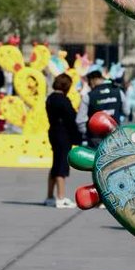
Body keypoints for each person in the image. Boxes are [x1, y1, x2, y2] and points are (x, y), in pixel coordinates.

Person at [45, 73, 79, 208]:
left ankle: (49, 196)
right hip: (63, 134)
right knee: (61, 166)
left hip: (53, 131)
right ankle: (61, 197)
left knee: (55, 164)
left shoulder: (50, 99)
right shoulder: (63, 100)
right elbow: (72, 118)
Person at [77, 68, 127, 147]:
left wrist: (88, 134)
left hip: (96, 139)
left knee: (98, 159)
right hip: (115, 136)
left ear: (92, 81)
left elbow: (80, 120)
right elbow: (126, 111)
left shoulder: (88, 96)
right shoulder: (118, 92)